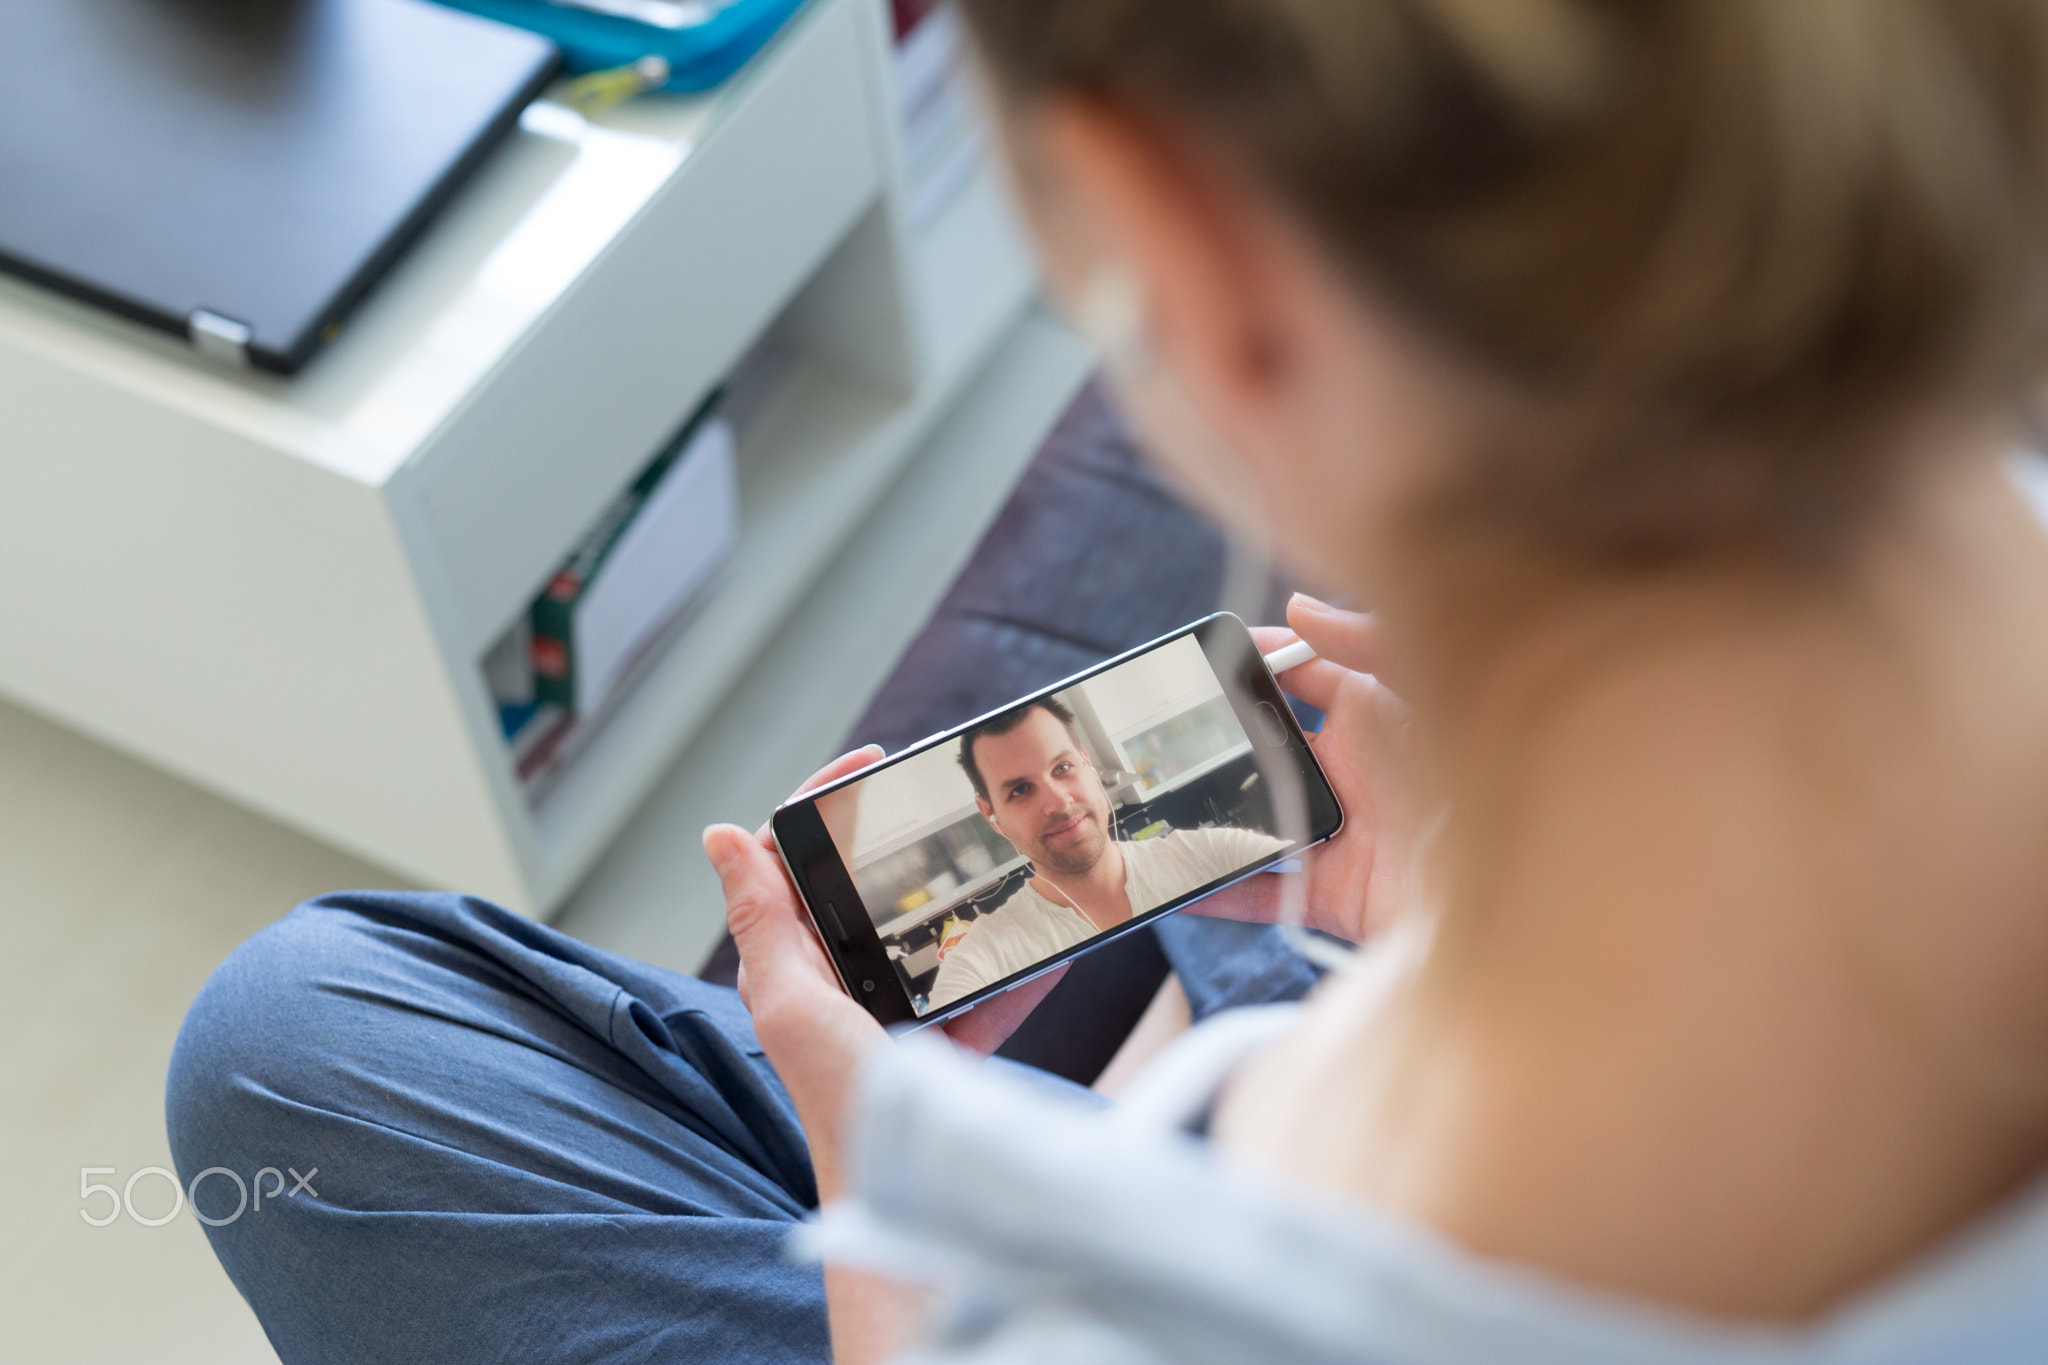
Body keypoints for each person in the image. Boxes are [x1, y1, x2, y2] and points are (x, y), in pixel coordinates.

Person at [167, 2, 2048, 1362]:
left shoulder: (1083, 1304)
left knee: (289, 1055)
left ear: (1182, 246)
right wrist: (1380, 960)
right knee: (307, 1022)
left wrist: (889, 1190)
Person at [927, 696, 1285, 1008]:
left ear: (1088, 764)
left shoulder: (1213, 854)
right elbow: (929, 1062)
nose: (1059, 802)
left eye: (1062, 768)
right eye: (1020, 790)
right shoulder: (983, 958)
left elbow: (1307, 870)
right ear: (992, 817)